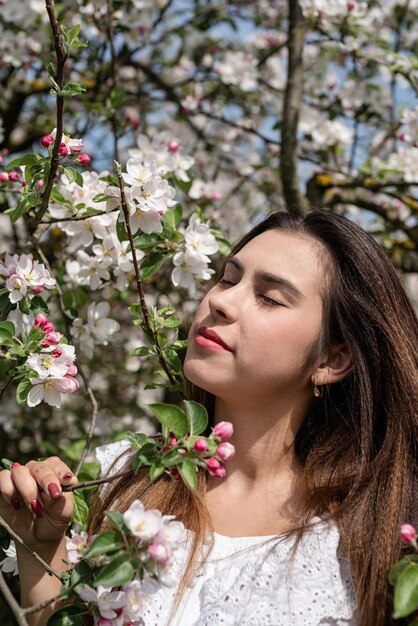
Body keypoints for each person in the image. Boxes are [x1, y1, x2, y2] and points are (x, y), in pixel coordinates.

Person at [1, 210, 417, 626]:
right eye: (228, 278)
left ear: (332, 358)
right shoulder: (131, 484)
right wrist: (40, 545)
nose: (220, 301)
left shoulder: (367, 536)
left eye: (269, 298)